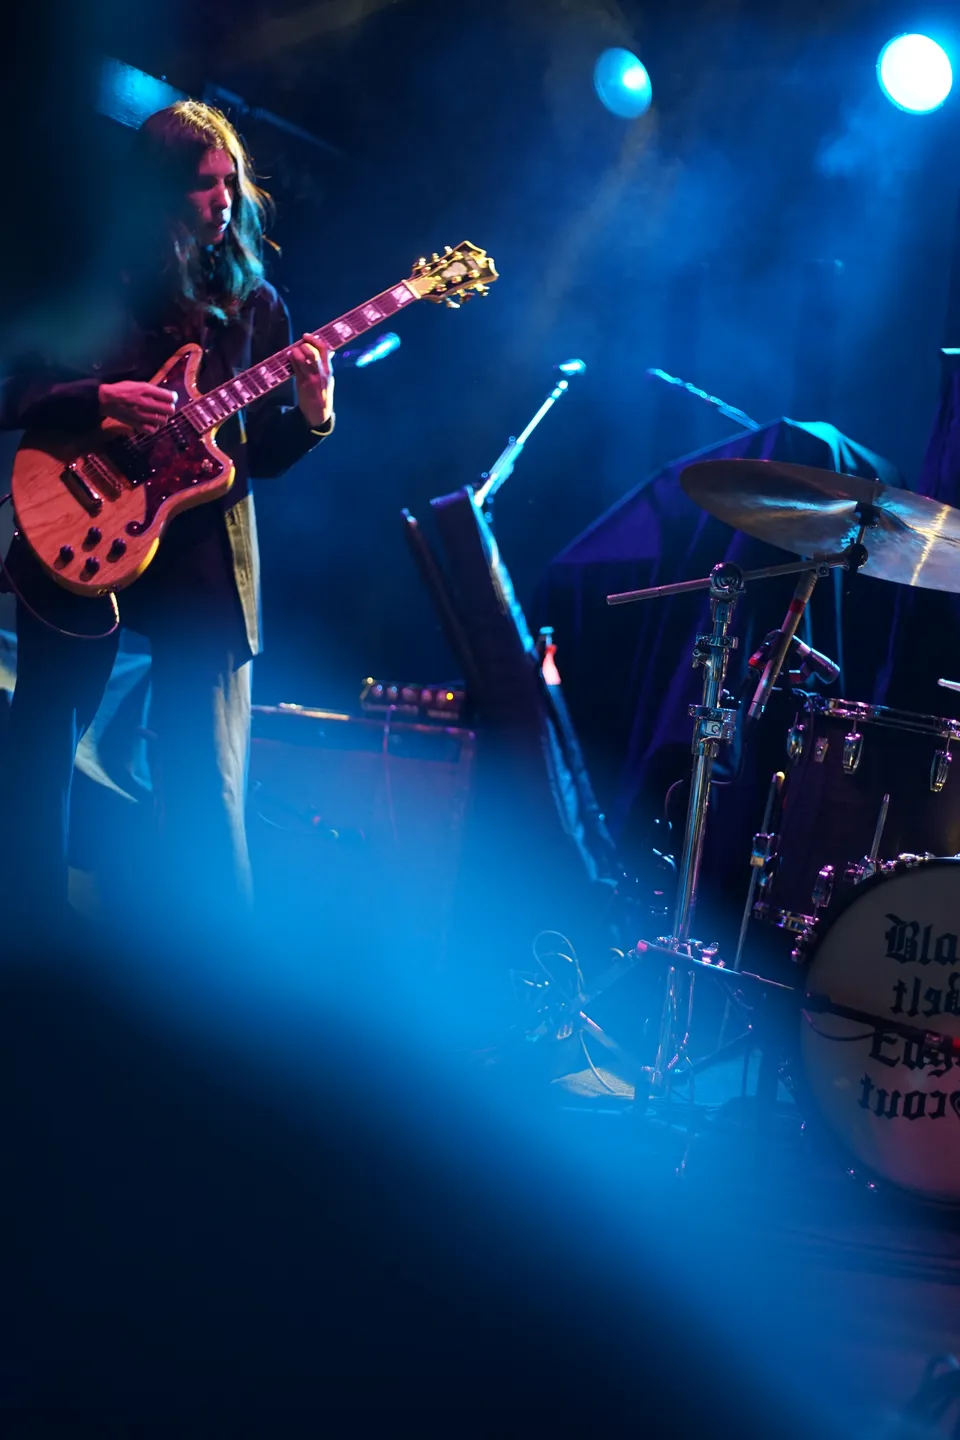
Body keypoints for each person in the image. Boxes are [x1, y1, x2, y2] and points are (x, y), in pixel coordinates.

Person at [0, 100, 335, 938]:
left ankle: (212, 978)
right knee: (39, 747)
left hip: (200, 557)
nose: (223, 200)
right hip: (79, 532)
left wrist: (312, 413)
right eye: (201, 184)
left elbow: (261, 458)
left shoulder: (256, 306)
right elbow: (16, 394)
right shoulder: (93, 287)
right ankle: (27, 939)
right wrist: (101, 396)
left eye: (231, 182)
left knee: (206, 778)